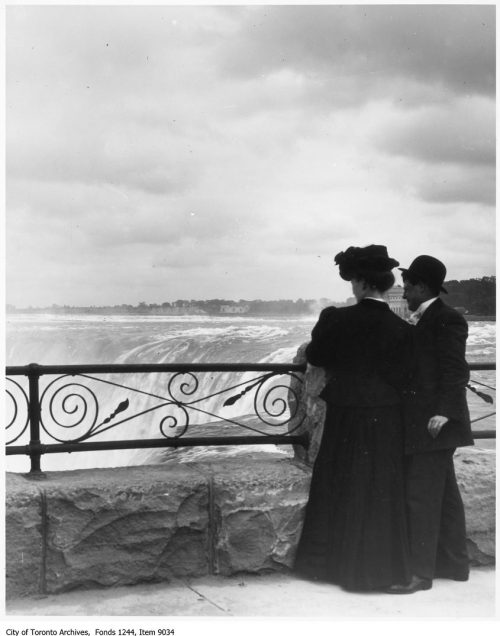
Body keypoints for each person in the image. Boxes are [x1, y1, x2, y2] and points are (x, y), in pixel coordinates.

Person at [294, 244, 412, 592]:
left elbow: (317, 354)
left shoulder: (338, 319)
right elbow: (405, 376)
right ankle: (377, 571)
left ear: (360, 283)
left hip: (346, 413)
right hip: (385, 415)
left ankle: (329, 567)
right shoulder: (401, 328)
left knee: (339, 484)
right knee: (379, 489)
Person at [386, 255, 473, 594]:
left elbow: (456, 370)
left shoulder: (447, 320)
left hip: (435, 423)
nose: (404, 292)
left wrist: (445, 412)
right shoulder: (425, 318)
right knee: (446, 496)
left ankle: (420, 575)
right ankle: (456, 564)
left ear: (422, 286)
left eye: (407, 286)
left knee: (421, 497)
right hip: (431, 421)